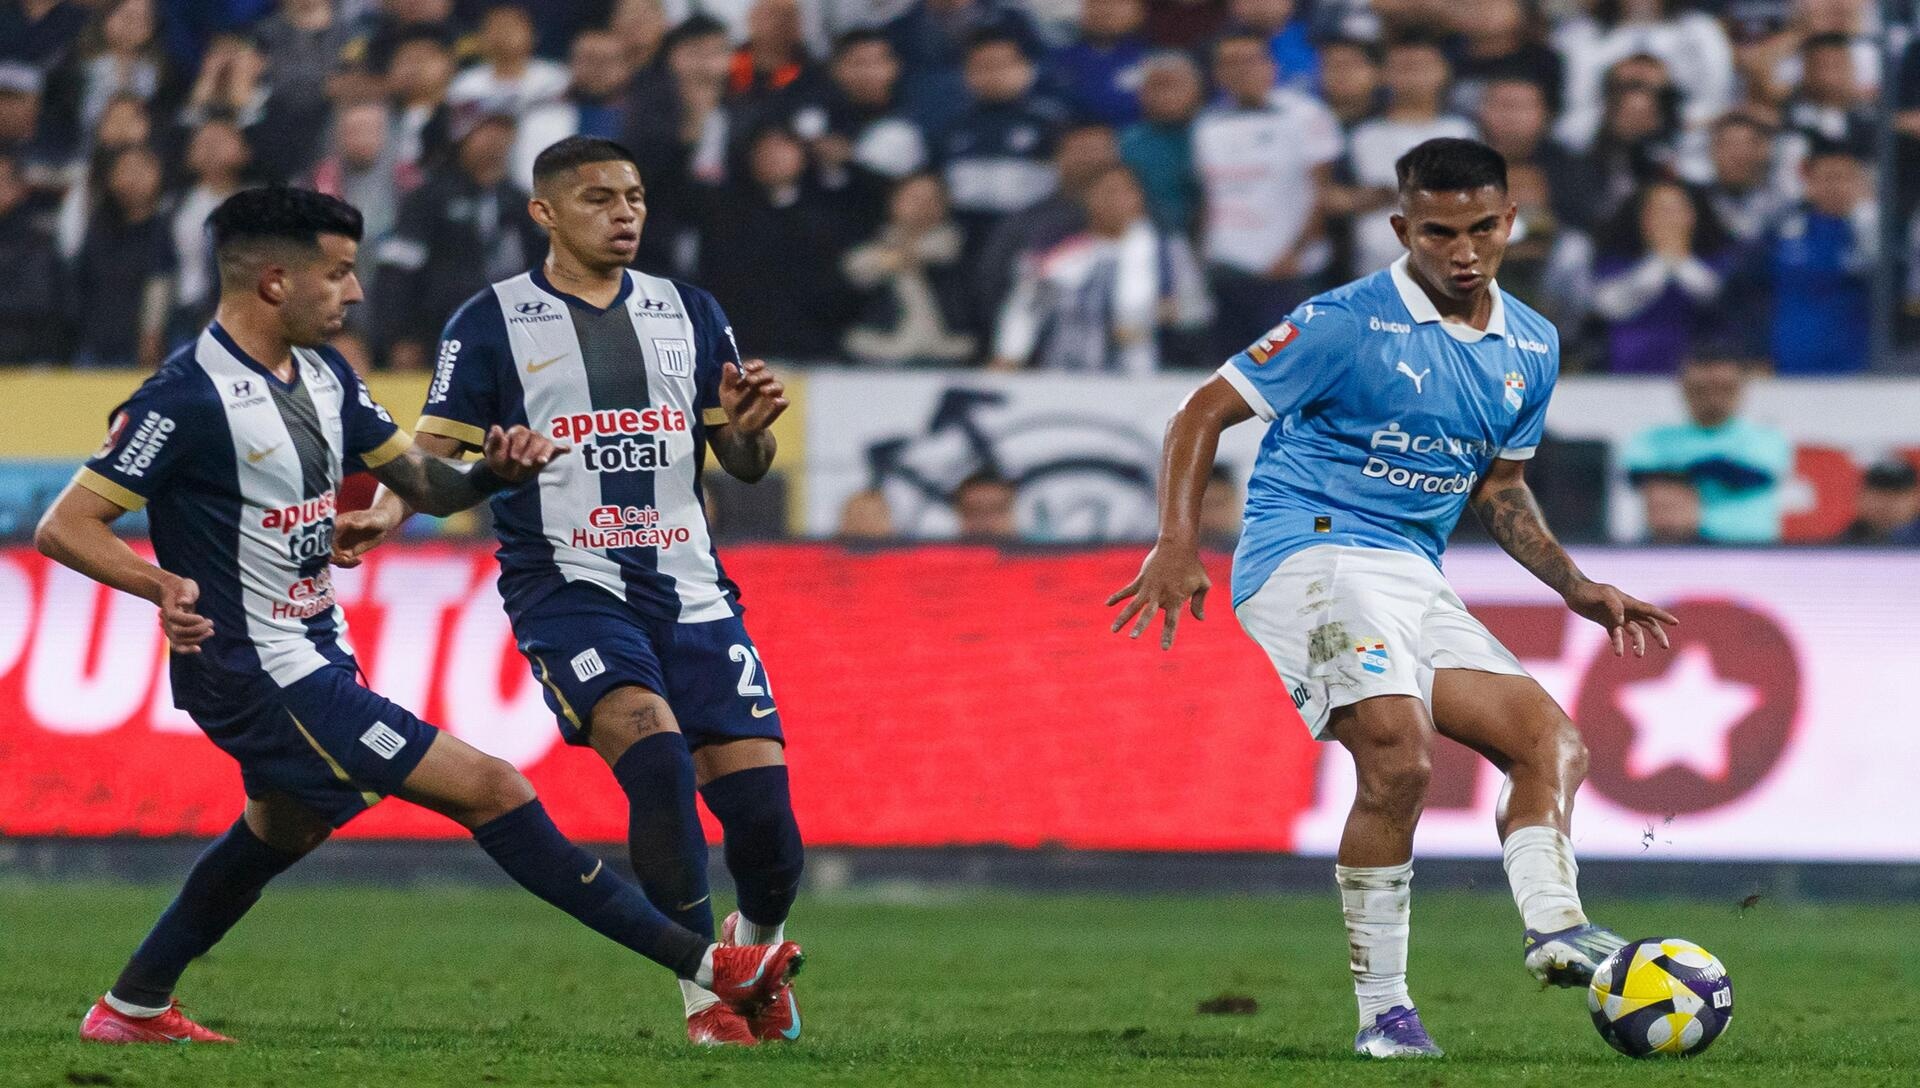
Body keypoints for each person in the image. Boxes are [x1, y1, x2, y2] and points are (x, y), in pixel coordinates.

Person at [34, 185, 801, 1046]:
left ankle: (132, 1007)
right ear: (276, 283)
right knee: (492, 788)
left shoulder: (326, 376)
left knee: (279, 828)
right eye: (338, 275)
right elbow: (65, 525)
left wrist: (494, 477)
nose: (355, 293)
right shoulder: (185, 396)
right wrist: (160, 586)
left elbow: (425, 482)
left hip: (317, 645)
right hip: (253, 666)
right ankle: (710, 969)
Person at [1108, 138, 1672, 1058]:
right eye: (1439, 231)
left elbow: (1500, 489)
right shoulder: (1343, 322)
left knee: (1551, 743)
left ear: (1511, 223)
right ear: (1402, 228)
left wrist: (1577, 587)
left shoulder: (1532, 342)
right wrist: (1177, 541)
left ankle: (1557, 927)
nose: (1463, 250)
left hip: (1412, 573)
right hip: (1309, 554)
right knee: (1401, 758)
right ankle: (1385, 1015)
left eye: (1482, 228)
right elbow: (1201, 410)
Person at [332, 137, 810, 1048]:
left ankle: (756, 947)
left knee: (769, 834)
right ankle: (706, 993)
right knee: (655, 754)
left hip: (694, 590)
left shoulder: (691, 311)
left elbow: (742, 463)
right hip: (569, 584)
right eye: (598, 198)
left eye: (634, 196)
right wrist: (385, 516)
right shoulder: (489, 321)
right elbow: (430, 450)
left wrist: (749, 435)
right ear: (545, 213)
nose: (624, 213)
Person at [1192, 31, 1338, 359]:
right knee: (1227, 374)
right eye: (1229, 63)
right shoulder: (1207, 125)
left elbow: (1322, 193)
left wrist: (1295, 253)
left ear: (1272, 66)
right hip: (1227, 269)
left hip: (1287, 271)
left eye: (1250, 60)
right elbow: (1211, 196)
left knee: (1291, 370)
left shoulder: (1306, 115)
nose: (1240, 70)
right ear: (1217, 74)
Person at [371, 108, 545, 370]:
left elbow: (543, 266)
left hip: (515, 333)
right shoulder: (427, 198)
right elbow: (397, 272)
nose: (495, 140)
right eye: (485, 131)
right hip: (439, 334)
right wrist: (400, 337)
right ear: (461, 137)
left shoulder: (521, 202)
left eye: (503, 131)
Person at [991, 163, 1207, 373]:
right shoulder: (1063, 253)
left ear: (1139, 198)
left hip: (1145, 377)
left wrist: (1158, 312)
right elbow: (1027, 308)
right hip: (1064, 375)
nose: (1114, 201)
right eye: (1106, 192)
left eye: (1125, 192)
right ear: (1088, 199)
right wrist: (1010, 355)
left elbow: (1199, 310)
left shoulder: (1167, 251)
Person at [1621, 355, 1792, 543]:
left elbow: (1752, 476)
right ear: (1684, 388)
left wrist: (1679, 472)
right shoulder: (1654, 437)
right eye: (1701, 389)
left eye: (1723, 388)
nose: (1712, 397)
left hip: (1749, 549)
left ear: (1741, 388)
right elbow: (1637, 476)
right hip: (1671, 549)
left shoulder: (1765, 437)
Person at [1589, 181, 1732, 374]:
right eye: (1659, 211)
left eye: (1676, 210)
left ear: (1692, 216)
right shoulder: (1616, 262)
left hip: (1695, 371)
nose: (1668, 220)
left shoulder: (1717, 259)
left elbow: (1716, 296)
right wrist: (1660, 260)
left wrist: (1680, 261)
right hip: (1629, 370)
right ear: (1642, 219)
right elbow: (1608, 307)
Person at [842, 171, 977, 366]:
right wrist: (888, 260)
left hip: (950, 356)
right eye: (914, 198)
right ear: (894, 202)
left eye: (932, 199)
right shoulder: (863, 246)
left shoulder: (964, 251)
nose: (922, 206)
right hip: (875, 354)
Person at [1836, 458, 1920, 544]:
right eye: (1879, 494)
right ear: (1860, 497)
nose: (1887, 504)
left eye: (1897, 495)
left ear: (1916, 499)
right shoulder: (1840, 542)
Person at [1637, 470, 1705, 543]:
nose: (1661, 516)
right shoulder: (1633, 551)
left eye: (1668, 507)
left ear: (1692, 505)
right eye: (1654, 508)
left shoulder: (1714, 551)